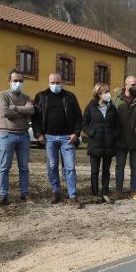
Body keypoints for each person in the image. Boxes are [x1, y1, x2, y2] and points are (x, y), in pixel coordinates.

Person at [32, 73, 83, 208]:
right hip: (49, 137)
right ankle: (56, 191)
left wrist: (76, 133)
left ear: (62, 82)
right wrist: (38, 134)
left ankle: (73, 195)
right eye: (53, 83)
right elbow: (35, 118)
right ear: (48, 82)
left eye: (58, 82)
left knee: (70, 167)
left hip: (68, 137)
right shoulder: (41, 96)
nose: (55, 85)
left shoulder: (70, 97)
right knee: (52, 165)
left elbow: (79, 117)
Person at [0, 69, 34, 206]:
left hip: (23, 135)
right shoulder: (2, 94)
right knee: (4, 167)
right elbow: (5, 112)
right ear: (9, 81)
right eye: (15, 80)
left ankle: (24, 193)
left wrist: (15, 108)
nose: (18, 83)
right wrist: (22, 111)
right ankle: (2, 195)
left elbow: (32, 110)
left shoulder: (27, 97)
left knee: (24, 167)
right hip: (7, 134)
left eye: (20, 81)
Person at [113, 76, 136, 200]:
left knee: (135, 166)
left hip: (135, 138)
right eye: (133, 85)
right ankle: (118, 190)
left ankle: (134, 190)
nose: (135, 87)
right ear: (126, 85)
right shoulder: (116, 99)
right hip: (120, 138)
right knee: (120, 165)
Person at [82, 83, 119, 204]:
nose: (108, 94)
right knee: (94, 171)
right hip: (95, 144)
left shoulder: (112, 107)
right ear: (99, 93)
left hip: (109, 144)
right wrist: (91, 133)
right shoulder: (90, 107)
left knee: (106, 171)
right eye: (105, 92)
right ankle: (94, 194)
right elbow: (84, 124)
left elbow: (118, 126)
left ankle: (105, 193)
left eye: (108, 91)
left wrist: (114, 135)